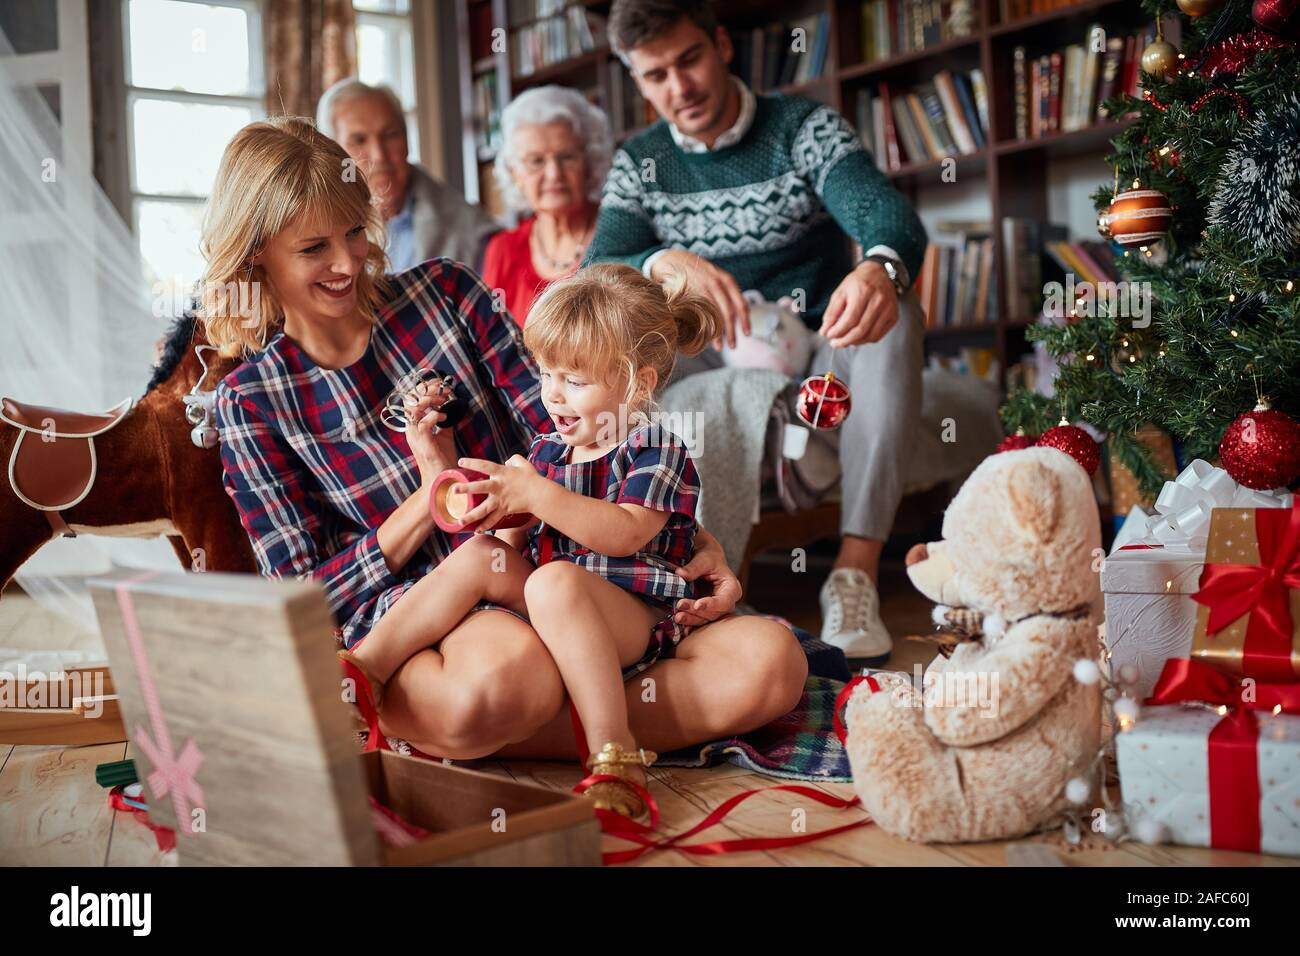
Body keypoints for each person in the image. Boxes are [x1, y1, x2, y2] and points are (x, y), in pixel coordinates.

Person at [205, 116, 807, 764]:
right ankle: (566, 722)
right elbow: (305, 593)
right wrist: (432, 494)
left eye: (355, 231)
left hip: (560, 577)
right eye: (313, 247)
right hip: (420, 618)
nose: (348, 261)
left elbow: (575, 433)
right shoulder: (249, 400)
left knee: (773, 665)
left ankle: (557, 729)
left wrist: (681, 535)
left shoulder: (446, 293)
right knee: (498, 686)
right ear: (256, 253)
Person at [587, 0, 930, 663]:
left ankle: (852, 575)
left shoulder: (801, 128)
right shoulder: (642, 163)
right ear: (636, 79)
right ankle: (670, 578)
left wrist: (880, 269)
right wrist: (661, 263)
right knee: (616, 326)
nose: (678, 88)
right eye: (655, 75)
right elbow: (594, 269)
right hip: (711, 360)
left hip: (819, 361)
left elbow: (887, 214)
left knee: (898, 309)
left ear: (721, 45)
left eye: (688, 60)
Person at [340, 264, 720, 817]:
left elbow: (623, 534)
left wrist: (539, 495)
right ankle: (362, 671)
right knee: (483, 557)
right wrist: (490, 512)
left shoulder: (653, 447)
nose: (554, 396)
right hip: (548, 597)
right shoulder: (547, 452)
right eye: (546, 373)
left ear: (636, 382)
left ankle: (616, 755)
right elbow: (512, 550)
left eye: (576, 380)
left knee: (559, 583)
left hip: (632, 614)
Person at [317, 78, 500, 272]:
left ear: (407, 141)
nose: (379, 155)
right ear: (332, 154)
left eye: (390, 135)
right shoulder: (310, 229)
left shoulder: (471, 232)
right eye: (359, 140)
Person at [481, 86, 611, 325]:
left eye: (567, 157)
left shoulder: (620, 231)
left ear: (590, 161)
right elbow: (492, 350)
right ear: (515, 173)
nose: (553, 174)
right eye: (536, 161)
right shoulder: (502, 252)